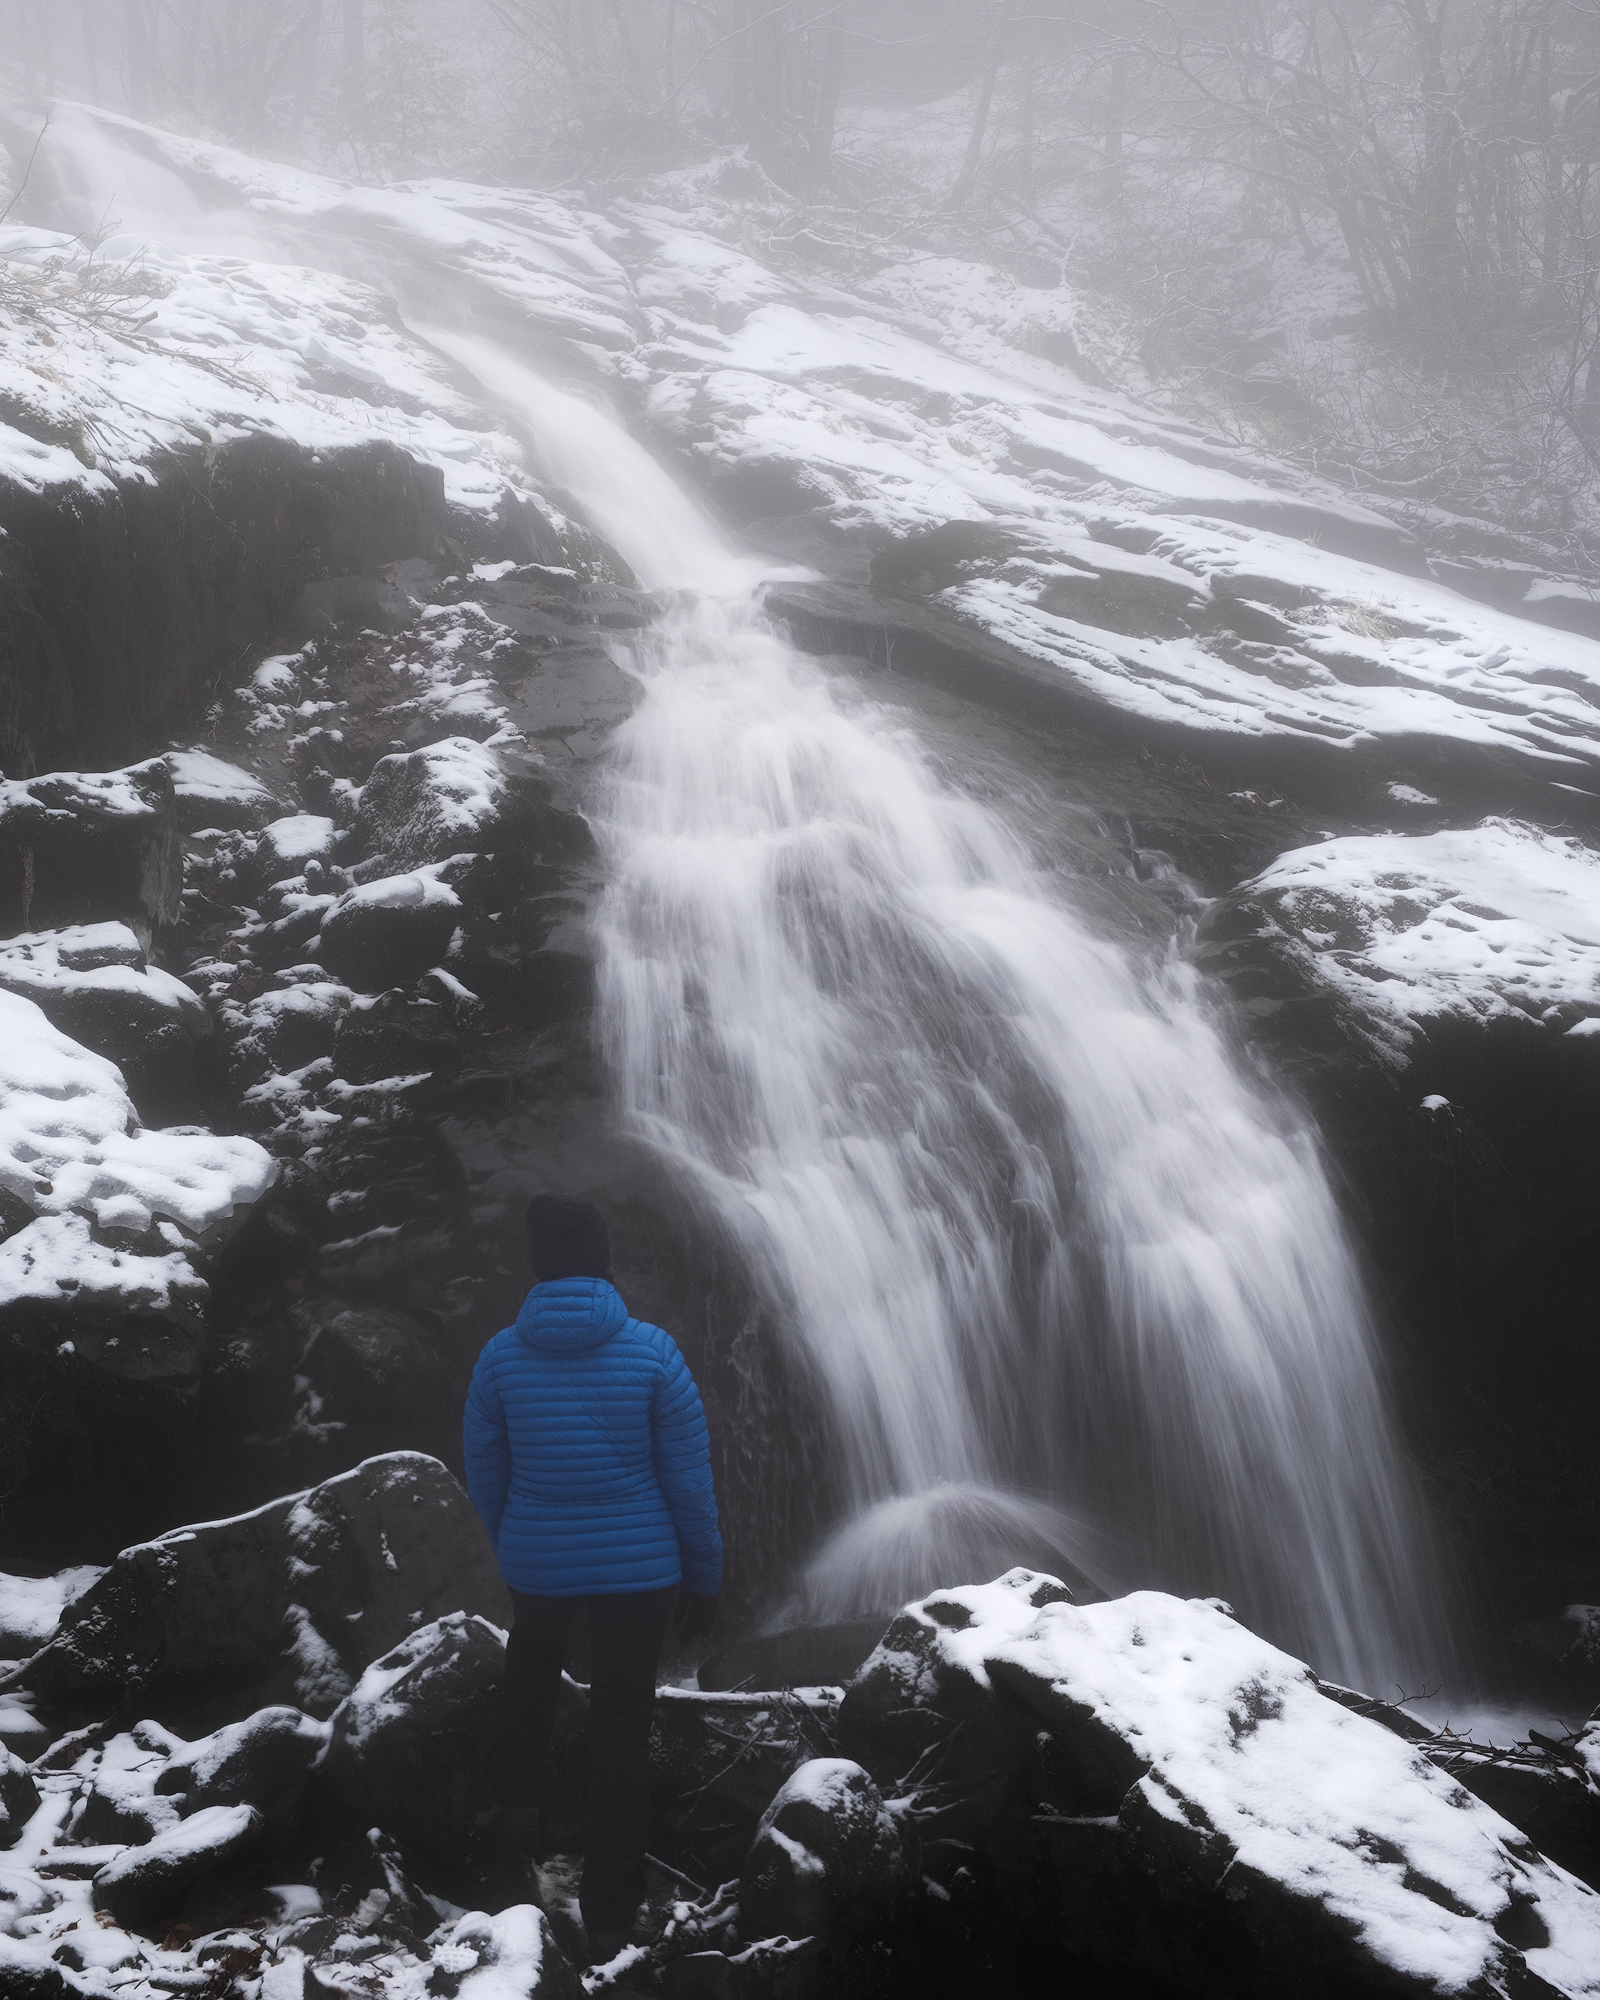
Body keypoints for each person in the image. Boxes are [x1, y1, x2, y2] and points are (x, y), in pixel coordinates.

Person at [462, 1192, 723, 1960]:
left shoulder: (500, 1357)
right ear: (603, 1260)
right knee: (621, 1722)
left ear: (538, 1264)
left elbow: (485, 1471)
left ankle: (511, 1835)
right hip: (641, 1571)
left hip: (537, 1559)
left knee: (530, 1674)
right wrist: (704, 1577)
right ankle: (610, 1909)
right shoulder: (654, 1352)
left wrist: (513, 1541)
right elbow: (688, 1481)